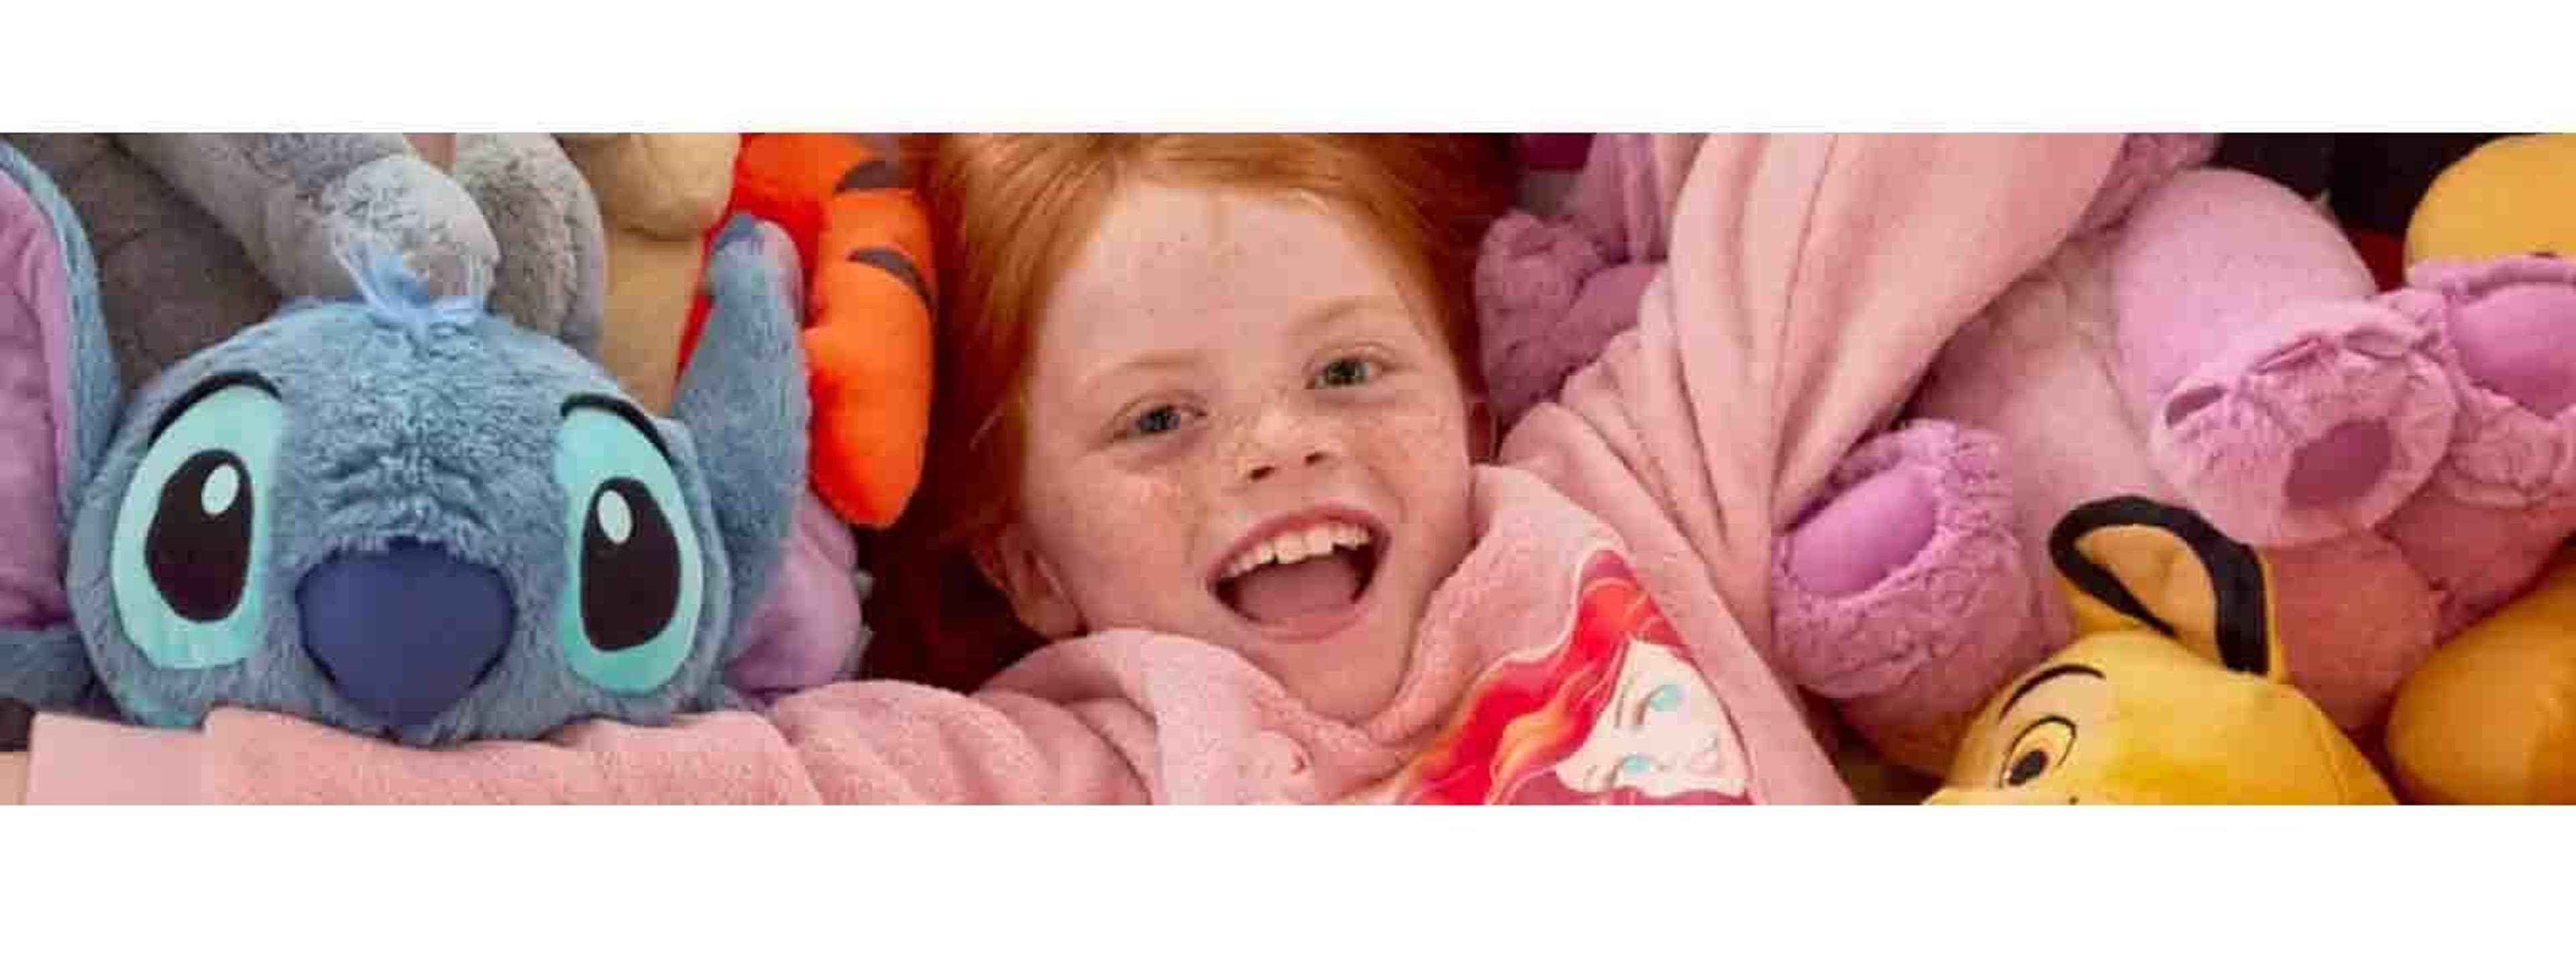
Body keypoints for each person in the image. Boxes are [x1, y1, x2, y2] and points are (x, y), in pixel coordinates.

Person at [0, 134, 2117, 804]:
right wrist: (92, 793)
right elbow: (672, 810)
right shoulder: (1065, 763)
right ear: (1019, 547)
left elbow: (1847, 190)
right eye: (1163, 421)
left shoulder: (1619, 492)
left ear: (1462, 399)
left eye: (1352, 369)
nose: (1282, 441)